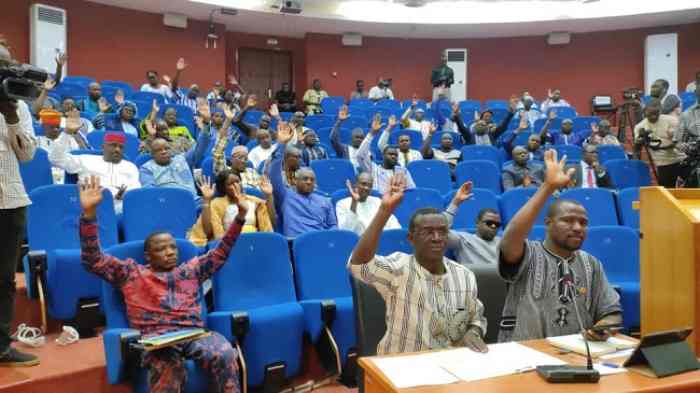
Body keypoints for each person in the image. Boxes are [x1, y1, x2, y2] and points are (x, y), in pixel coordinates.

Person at [78, 176, 242, 393]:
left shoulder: (190, 270)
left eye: (173, 247)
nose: (170, 252)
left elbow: (222, 251)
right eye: (162, 249)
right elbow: (94, 260)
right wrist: (89, 215)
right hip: (156, 341)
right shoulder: (131, 272)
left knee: (224, 352)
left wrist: (240, 216)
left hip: (192, 334)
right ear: (148, 255)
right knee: (169, 366)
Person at [348, 174, 487, 355]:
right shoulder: (398, 267)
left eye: (442, 232)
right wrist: (384, 210)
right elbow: (359, 266)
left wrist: (473, 332)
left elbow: (475, 318)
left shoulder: (465, 276)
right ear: (411, 238)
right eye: (428, 232)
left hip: (451, 365)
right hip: (401, 366)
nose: (437, 238)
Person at [498, 150, 622, 342]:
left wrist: (605, 327)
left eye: (583, 222)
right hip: (525, 354)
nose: (577, 227)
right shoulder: (527, 253)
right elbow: (510, 238)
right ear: (548, 223)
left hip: (579, 354)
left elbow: (612, 312)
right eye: (568, 220)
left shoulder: (592, 263)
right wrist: (548, 187)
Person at [0, 37, 39, 367]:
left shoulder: (20, 106)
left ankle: (0, 345)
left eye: (9, 67)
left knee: (4, 279)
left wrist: (10, 114)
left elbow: (27, 155)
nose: (6, 73)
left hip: (10, 200)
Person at [268, 122, 337, 237]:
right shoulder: (286, 196)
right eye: (305, 179)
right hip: (295, 245)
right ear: (295, 181)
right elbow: (274, 174)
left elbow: (333, 225)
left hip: (321, 242)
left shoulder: (325, 200)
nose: (309, 182)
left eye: (312, 179)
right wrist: (281, 144)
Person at [49, 131, 141, 214]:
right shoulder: (86, 160)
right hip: (93, 206)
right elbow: (55, 159)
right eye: (113, 145)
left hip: (124, 209)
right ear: (103, 147)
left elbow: (136, 191)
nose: (117, 149)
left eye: (121, 147)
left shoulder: (130, 166)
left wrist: (123, 195)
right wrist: (66, 133)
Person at [188, 172, 274, 247]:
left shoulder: (254, 201)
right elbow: (207, 231)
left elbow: (270, 223)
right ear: (223, 188)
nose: (236, 185)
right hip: (230, 245)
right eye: (231, 184)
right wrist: (206, 200)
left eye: (237, 181)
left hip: (255, 243)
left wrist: (269, 196)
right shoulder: (217, 203)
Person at [138, 115, 210, 200]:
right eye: (159, 150)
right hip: (167, 204)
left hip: (192, 202)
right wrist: (152, 136)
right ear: (152, 154)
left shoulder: (182, 159)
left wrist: (206, 124)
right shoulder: (146, 169)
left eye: (166, 148)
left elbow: (199, 147)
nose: (164, 151)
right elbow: (150, 194)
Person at [443, 183, 502, 265]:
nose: (493, 226)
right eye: (489, 223)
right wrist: (455, 202)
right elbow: (440, 231)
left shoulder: (503, 243)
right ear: (477, 222)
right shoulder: (463, 240)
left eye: (497, 225)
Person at [357, 115, 416, 193]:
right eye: (390, 154)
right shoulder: (373, 169)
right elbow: (360, 155)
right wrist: (372, 133)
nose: (393, 156)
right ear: (383, 155)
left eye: (395, 155)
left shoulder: (403, 171)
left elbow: (411, 191)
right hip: (379, 202)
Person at [633, 100, 686, 187]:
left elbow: (682, 137)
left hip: (681, 159)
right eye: (650, 114)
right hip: (663, 163)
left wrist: (674, 136)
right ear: (644, 112)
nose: (653, 116)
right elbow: (637, 147)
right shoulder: (640, 127)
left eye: (656, 113)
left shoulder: (671, 120)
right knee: (667, 191)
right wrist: (640, 140)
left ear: (660, 111)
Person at [336, 173, 401, 235]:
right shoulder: (342, 204)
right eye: (363, 184)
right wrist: (354, 203)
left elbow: (393, 224)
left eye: (370, 185)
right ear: (356, 184)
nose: (366, 188)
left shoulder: (378, 201)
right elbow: (346, 232)